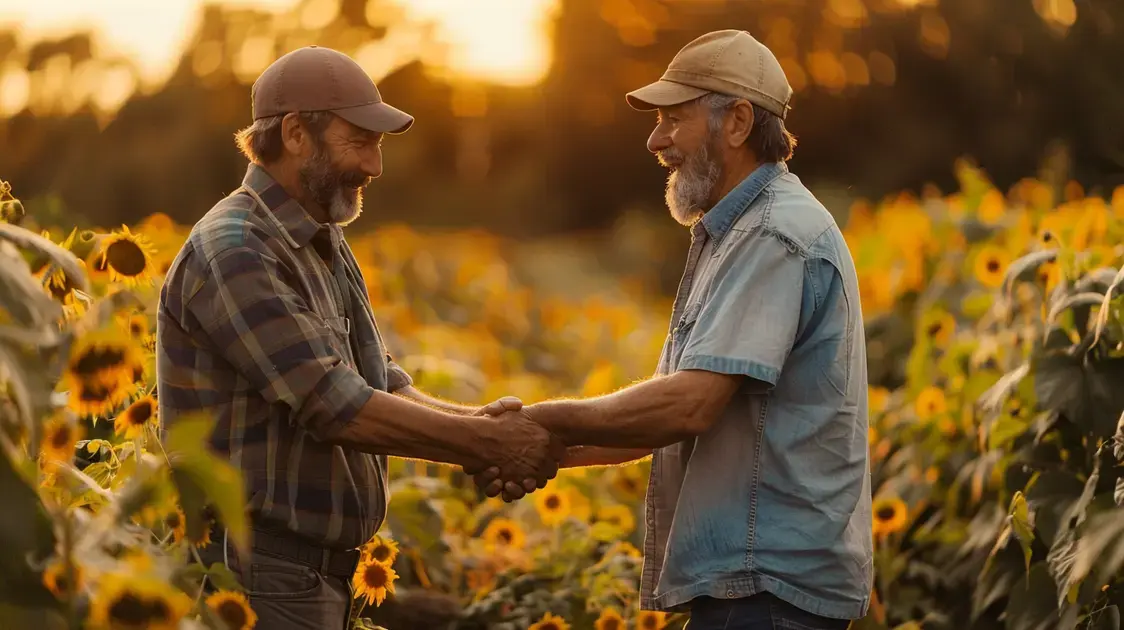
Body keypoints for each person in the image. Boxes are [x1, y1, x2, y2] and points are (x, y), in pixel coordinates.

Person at [469, 30, 872, 629]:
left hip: (769, 593)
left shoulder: (773, 235)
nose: (656, 140)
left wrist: (542, 421)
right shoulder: (734, 233)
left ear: (736, 122)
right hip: (753, 589)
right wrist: (546, 452)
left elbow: (687, 407)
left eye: (672, 120)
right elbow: (658, 424)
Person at [155, 45, 563, 630]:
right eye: (361, 141)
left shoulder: (321, 239)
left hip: (315, 580)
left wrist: (480, 426)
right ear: (296, 134)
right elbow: (334, 406)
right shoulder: (237, 249)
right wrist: (488, 445)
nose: (375, 166)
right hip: (253, 581)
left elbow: (380, 383)